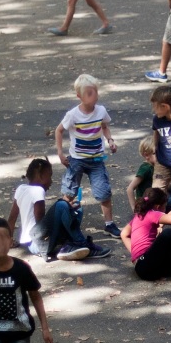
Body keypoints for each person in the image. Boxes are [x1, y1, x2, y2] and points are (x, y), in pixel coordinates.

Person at [6, 158, 111, 261]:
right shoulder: (38, 191)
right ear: (41, 176)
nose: (51, 181)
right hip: (39, 244)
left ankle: (67, 247)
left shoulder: (21, 189)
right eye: (50, 176)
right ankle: (82, 244)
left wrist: (9, 240)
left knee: (75, 210)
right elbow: (41, 225)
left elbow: (11, 218)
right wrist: (64, 207)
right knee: (62, 205)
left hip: (30, 244)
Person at [54, 74, 119, 234]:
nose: (94, 96)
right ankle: (61, 224)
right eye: (89, 93)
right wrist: (60, 153)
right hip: (76, 160)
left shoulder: (101, 111)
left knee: (104, 192)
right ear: (79, 96)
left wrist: (110, 140)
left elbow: (104, 127)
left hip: (96, 160)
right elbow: (59, 130)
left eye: (95, 92)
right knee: (69, 192)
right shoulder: (73, 114)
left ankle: (109, 224)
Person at [120, 188, 171, 281]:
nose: (165, 209)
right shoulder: (152, 214)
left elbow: (124, 234)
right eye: (164, 207)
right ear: (158, 207)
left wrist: (135, 254)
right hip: (146, 267)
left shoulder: (139, 215)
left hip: (141, 265)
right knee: (169, 234)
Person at [125, 136, 156, 236]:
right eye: (155, 153)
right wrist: (135, 209)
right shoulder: (146, 168)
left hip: (152, 201)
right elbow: (130, 189)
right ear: (146, 155)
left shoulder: (155, 166)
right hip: (145, 204)